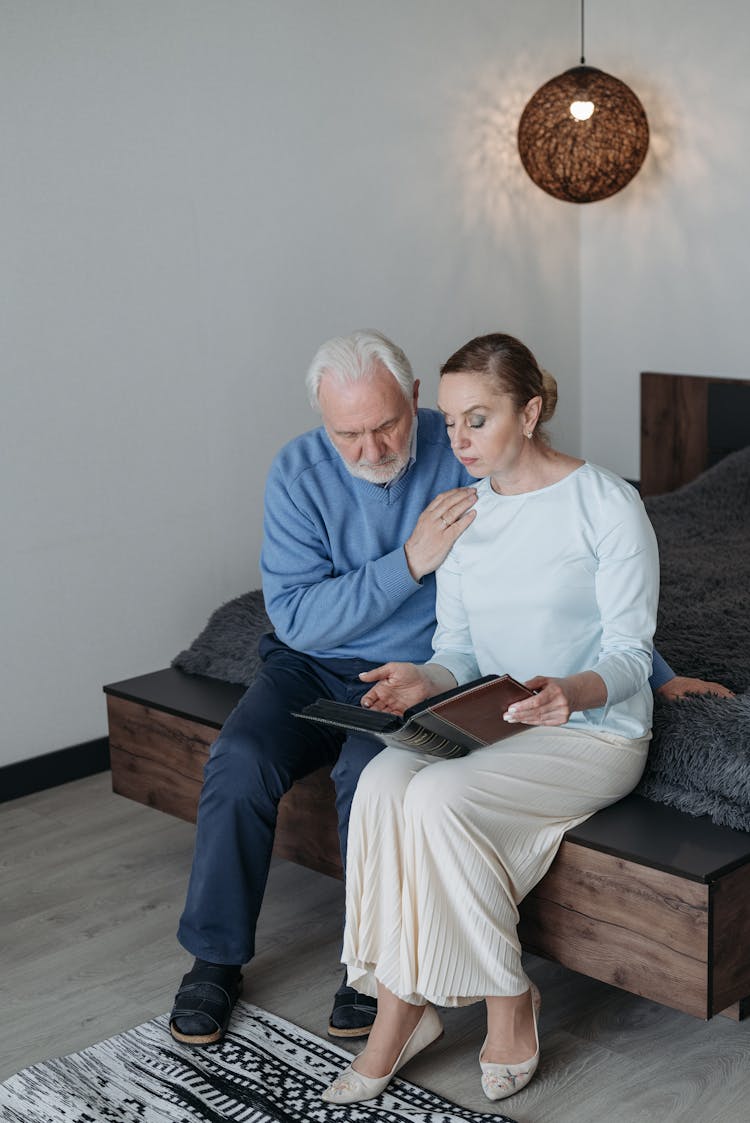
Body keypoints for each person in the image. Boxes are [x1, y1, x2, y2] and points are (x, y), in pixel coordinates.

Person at [168, 329, 725, 1050]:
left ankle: (370, 976)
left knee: (367, 773)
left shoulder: (463, 443)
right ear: (323, 423)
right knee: (239, 759)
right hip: (312, 661)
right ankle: (213, 960)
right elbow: (297, 615)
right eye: (348, 434)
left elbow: (561, 576)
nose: (370, 449)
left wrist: (655, 670)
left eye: (385, 425)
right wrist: (409, 562)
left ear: (416, 400)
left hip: (423, 671)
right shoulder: (298, 472)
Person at [322, 332, 661, 1106]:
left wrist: (570, 692)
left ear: (531, 410)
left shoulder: (605, 502)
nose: (459, 440)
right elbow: (461, 652)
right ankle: (400, 1009)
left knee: (437, 799)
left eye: (478, 419)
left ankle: (503, 996)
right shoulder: (465, 516)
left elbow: (632, 657)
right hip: (502, 718)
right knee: (381, 782)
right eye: (448, 422)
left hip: (593, 729)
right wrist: (424, 678)